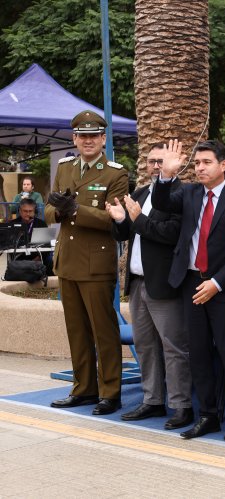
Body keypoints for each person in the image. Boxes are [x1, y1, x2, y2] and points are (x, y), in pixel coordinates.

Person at [151, 139, 225, 441]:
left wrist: (217, 282)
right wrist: (167, 176)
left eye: (207, 162)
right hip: (191, 283)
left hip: (224, 288)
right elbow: (161, 204)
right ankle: (208, 414)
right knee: (197, 353)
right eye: (196, 163)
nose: (200, 168)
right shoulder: (189, 192)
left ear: (223, 165)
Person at [47, 110, 129, 416]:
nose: (88, 141)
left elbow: (114, 220)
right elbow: (48, 211)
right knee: (76, 330)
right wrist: (59, 210)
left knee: (103, 331)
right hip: (67, 261)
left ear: (103, 139)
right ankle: (83, 388)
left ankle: (110, 392)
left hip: (95, 264)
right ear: (74, 139)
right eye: (82, 136)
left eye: (94, 136)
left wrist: (75, 210)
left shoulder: (115, 173)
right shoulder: (65, 167)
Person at [106, 143, 193, 430]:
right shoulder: (141, 193)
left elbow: (170, 234)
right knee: (145, 346)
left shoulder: (181, 194)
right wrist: (120, 221)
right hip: (137, 282)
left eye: (162, 161)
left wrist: (137, 220)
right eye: (152, 161)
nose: (156, 166)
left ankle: (181, 406)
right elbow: (128, 231)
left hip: (164, 284)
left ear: (175, 163)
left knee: (173, 347)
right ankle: (152, 400)